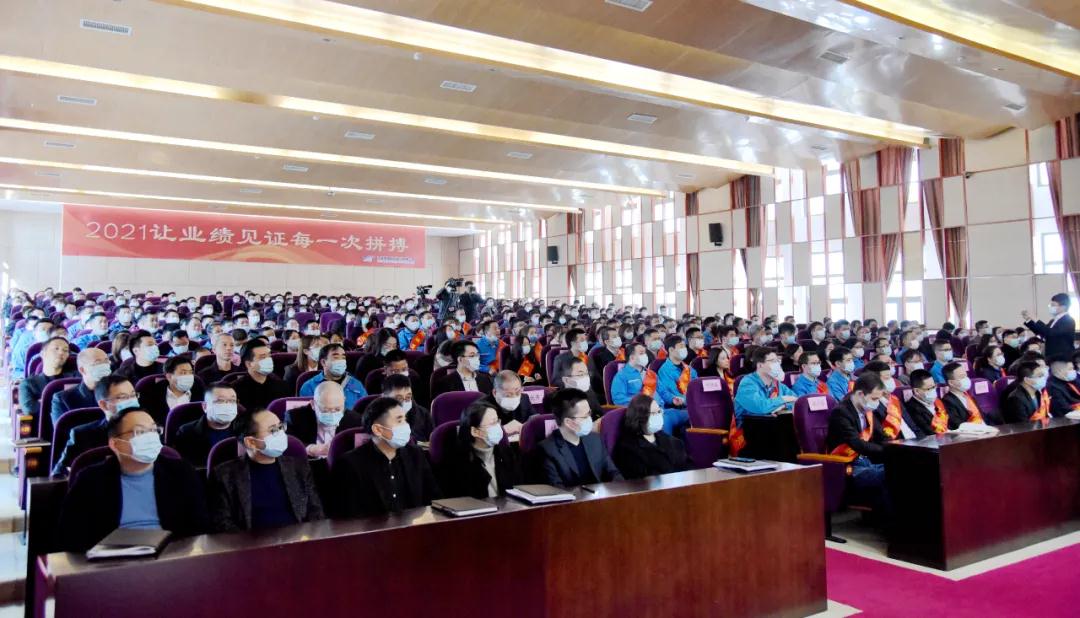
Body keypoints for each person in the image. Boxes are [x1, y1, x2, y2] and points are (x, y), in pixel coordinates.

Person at [58, 408, 208, 552]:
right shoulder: (90, 480)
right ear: (115, 444)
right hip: (111, 559)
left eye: (154, 430)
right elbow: (71, 534)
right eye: (140, 432)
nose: (150, 437)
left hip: (170, 554)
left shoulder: (181, 472)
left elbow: (199, 526)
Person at [208, 409, 324, 532]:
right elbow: (222, 524)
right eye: (273, 430)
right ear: (251, 442)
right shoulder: (224, 475)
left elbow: (315, 512)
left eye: (280, 427)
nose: (281, 434)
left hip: (297, 538)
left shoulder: (299, 467)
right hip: (250, 541)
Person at [332, 396, 441, 517]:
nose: (406, 426)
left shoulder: (416, 455)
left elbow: (433, 498)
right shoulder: (350, 464)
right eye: (399, 421)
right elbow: (348, 516)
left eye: (405, 420)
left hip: (414, 525)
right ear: (378, 430)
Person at [824, 373, 890, 515]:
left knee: (905, 468)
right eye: (874, 399)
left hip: (868, 462)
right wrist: (886, 450)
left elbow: (881, 436)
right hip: (849, 466)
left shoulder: (866, 408)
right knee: (891, 474)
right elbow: (857, 444)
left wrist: (896, 448)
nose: (877, 403)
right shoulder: (841, 412)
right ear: (860, 394)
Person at [53, 375, 140, 476]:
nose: (131, 401)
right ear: (104, 405)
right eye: (123, 397)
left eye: (133, 396)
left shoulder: (149, 429)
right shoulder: (82, 435)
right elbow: (59, 476)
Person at [437, 400, 523, 499]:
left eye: (497, 421)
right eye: (493, 423)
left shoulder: (506, 453)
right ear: (475, 431)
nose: (498, 427)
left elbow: (519, 489)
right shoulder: (457, 463)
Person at [538, 388, 622, 487]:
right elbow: (557, 490)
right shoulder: (547, 450)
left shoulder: (595, 439)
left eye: (590, 413)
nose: (590, 419)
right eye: (585, 416)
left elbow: (613, 473)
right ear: (569, 422)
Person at [612, 394, 688, 480]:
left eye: (659, 411)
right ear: (640, 417)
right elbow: (644, 480)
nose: (659, 416)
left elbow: (685, 464)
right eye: (654, 413)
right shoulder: (627, 448)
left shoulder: (669, 439)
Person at [285, 380, 364, 457]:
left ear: (344, 401)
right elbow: (287, 443)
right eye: (325, 410)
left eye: (337, 409)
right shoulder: (295, 417)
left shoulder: (356, 421)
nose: (332, 414)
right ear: (313, 404)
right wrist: (311, 449)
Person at [173, 382, 239, 467]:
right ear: (205, 407)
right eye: (220, 401)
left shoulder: (245, 429)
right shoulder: (186, 432)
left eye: (232, 401)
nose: (227, 406)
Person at [733, 347, 797, 426]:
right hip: (751, 427)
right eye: (773, 361)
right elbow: (760, 407)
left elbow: (796, 400)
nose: (777, 364)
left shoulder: (776, 383)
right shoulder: (747, 383)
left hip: (774, 424)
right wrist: (783, 399)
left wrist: (784, 406)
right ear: (760, 365)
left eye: (777, 361)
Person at [864, 361, 924, 440]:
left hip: (916, 441)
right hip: (898, 444)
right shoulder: (872, 406)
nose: (891, 380)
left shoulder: (895, 399)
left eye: (891, 377)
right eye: (887, 378)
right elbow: (882, 437)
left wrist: (923, 440)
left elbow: (913, 426)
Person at [19, 336, 74, 420]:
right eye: (56, 349)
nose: (61, 352)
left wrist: (43, 401)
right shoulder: (28, 384)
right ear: (43, 354)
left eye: (65, 350)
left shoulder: (74, 378)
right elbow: (30, 409)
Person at [297, 343, 368, 409]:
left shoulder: (356, 384)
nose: (341, 361)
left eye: (343, 357)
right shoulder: (309, 386)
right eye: (336, 357)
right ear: (323, 362)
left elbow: (365, 410)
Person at [140, 355, 204, 425]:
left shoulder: (201, 394)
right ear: (169, 376)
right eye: (183, 373)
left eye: (191, 372)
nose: (189, 376)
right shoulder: (153, 397)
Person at [232, 339, 291, 412]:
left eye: (269, 356)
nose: (269, 360)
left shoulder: (282, 386)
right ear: (249, 364)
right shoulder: (235, 390)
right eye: (263, 357)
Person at [654, 335, 696, 435]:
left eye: (684, 346)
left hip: (694, 405)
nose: (684, 349)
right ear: (671, 350)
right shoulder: (665, 370)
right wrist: (691, 401)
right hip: (679, 407)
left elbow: (697, 387)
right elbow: (672, 394)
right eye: (681, 346)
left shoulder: (689, 368)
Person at [1023, 293, 1076, 360]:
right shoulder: (1053, 320)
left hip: (1062, 357)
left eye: (1053, 305)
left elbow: (1051, 333)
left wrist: (1036, 319)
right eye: (1050, 305)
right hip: (1051, 355)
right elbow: (1043, 332)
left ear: (1063, 307)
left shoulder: (1068, 320)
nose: (1051, 307)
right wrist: (1028, 320)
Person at [382, 374, 434, 442]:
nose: (404, 403)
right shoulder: (376, 419)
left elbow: (432, 441)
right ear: (384, 397)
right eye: (399, 398)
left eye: (408, 397)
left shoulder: (422, 414)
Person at [938, 362, 988, 428]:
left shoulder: (969, 395)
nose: (966, 379)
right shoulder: (947, 402)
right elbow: (958, 425)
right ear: (951, 383)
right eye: (962, 377)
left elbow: (981, 416)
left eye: (966, 375)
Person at [488, 370, 536, 436]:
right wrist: (503, 430)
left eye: (517, 392)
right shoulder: (484, 407)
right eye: (508, 395)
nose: (514, 397)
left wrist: (529, 426)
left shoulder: (524, 398)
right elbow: (483, 435)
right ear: (495, 393)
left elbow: (535, 419)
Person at [610, 342, 658, 406]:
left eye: (645, 353)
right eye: (641, 353)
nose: (645, 356)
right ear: (632, 357)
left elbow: (661, 392)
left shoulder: (651, 374)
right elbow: (619, 400)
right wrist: (642, 403)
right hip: (640, 409)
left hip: (659, 408)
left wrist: (670, 400)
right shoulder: (621, 376)